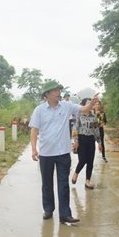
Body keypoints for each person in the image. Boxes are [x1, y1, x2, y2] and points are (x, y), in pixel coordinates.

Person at [29, 81, 99, 224]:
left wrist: (91, 104)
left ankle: (65, 214)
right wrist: (34, 149)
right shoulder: (39, 110)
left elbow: (84, 109)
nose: (58, 92)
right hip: (46, 154)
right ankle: (48, 209)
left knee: (63, 184)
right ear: (47, 95)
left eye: (58, 90)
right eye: (55, 90)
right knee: (47, 183)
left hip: (63, 153)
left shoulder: (67, 106)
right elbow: (34, 130)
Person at [71, 98, 102, 189]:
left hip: (91, 140)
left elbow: (96, 130)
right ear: (84, 105)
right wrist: (76, 141)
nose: (91, 104)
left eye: (91, 103)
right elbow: (75, 129)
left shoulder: (94, 116)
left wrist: (99, 142)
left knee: (90, 161)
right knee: (83, 160)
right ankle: (76, 173)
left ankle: (87, 181)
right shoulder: (79, 115)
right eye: (88, 103)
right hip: (81, 140)